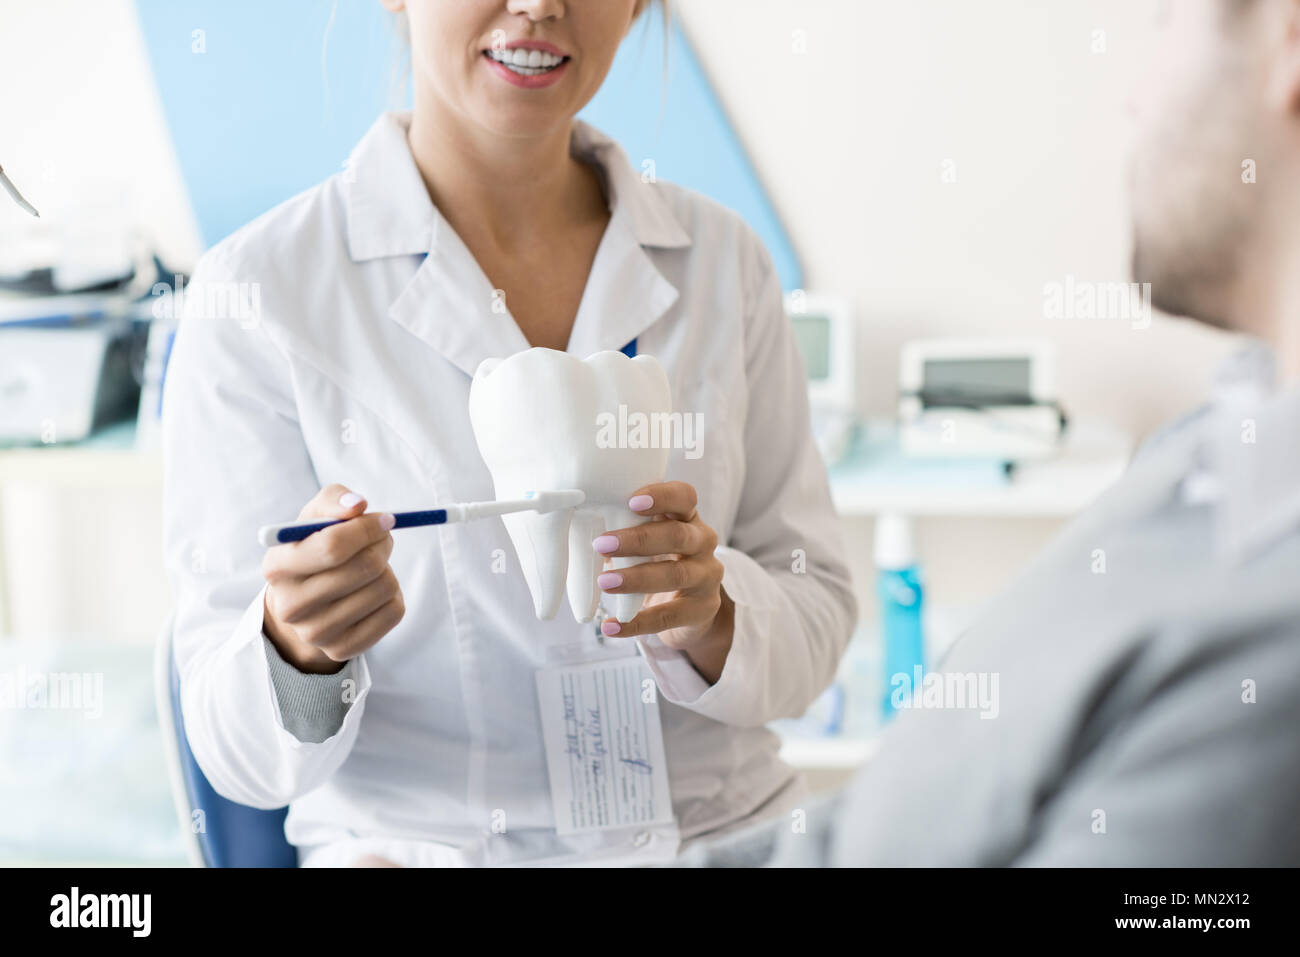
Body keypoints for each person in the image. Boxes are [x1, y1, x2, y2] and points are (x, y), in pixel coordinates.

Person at [161, 0, 855, 867]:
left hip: (718, 834)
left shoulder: (723, 260)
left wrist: (712, 613)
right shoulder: (259, 293)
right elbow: (236, 755)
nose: (539, 6)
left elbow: (818, 604)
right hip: (425, 851)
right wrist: (297, 647)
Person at [686, 0, 1300, 869]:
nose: (1131, 95)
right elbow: (882, 825)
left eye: (1166, 17)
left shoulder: (1271, 647)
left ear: (1289, 41)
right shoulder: (1208, 452)